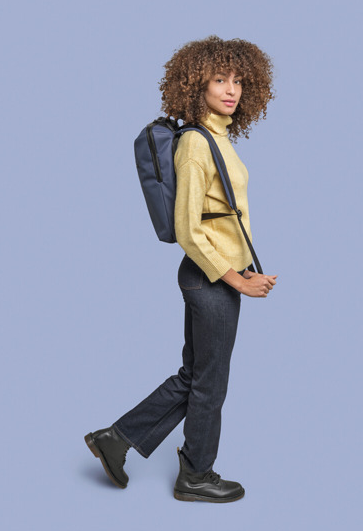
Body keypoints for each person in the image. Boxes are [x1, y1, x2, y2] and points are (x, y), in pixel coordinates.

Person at [84, 35, 277, 503]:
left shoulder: (218, 137)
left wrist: (244, 269)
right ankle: (196, 474)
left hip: (217, 275)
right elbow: (189, 229)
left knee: (195, 375)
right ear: (197, 85)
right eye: (219, 79)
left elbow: (222, 219)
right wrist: (235, 279)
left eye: (238, 81)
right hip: (209, 280)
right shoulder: (195, 144)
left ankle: (115, 439)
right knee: (210, 383)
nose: (230, 90)